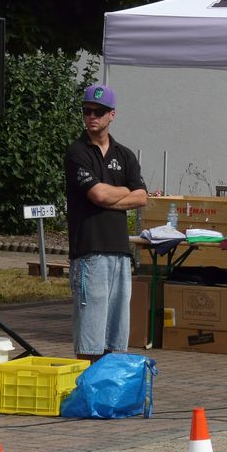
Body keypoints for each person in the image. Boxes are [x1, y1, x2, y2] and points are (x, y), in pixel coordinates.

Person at [65, 84, 148, 363]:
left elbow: (142, 197)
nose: (91, 117)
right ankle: (87, 383)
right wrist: (123, 191)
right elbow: (98, 195)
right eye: (87, 111)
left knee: (115, 333)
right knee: (90, 335)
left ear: (112, 114)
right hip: (90, 251)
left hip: (120, 252)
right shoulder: (77, 152)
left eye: (98, 112)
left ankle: (107, 386)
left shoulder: (124, 155)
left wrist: (109, 196)